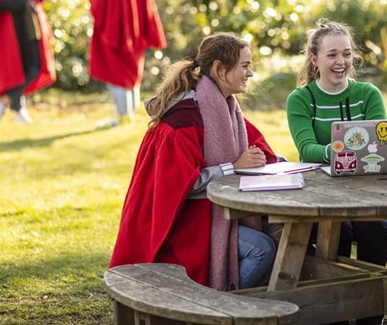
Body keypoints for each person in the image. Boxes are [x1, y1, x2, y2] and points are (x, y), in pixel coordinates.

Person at [109, 32, 278, 291]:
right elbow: (183, 186)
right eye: (245, 66)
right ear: (220, 69)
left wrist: (265, 159)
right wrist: (233, 168)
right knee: (261, 249)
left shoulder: (225, 108)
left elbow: (259, 146)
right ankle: (221, 303)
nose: (250, 73)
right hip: (186, 223)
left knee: (279, 230)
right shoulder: (185, 121)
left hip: (214, 213)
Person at [286, 19, 387, 267]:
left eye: (346, 53)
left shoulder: (368, 94)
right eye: (332, 54)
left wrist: (343, 152)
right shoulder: (301, 99)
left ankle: (372, 284)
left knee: (377, 229)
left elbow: (380, 143)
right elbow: (307, 150)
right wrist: (350, 151)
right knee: (339, 231)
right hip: (320, 190)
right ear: (314, 59)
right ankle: (338, 285)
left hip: (364, 188)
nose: (341, 61)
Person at [88, 0, 166, 127]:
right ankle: (128, 112)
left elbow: (97, 0)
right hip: (135, 34)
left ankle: (123, 114)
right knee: (129, 72)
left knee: (115, 72)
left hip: (116, 33)